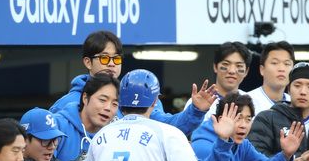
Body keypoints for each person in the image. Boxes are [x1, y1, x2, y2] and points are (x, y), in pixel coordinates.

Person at [49, 30, 215, 136]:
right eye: (105, 58)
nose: (112, 63)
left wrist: (196, 111)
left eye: (117, 58)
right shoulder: (65, 105)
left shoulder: (139, 95)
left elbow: (168, 129)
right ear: (87, 62)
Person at [185, 41, 252, 121]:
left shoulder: (252, 101)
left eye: (239, 66)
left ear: (246, 71)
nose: (232, 71)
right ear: (215, 67)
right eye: (226, 64)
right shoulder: (197, 102)